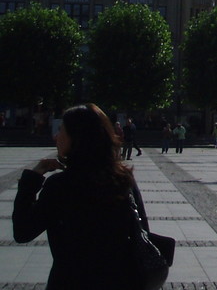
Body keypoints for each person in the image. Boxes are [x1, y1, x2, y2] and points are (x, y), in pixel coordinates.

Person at [13, 103, 156, 288]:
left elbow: (23, 232)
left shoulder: (61, 186)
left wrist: (31, 180)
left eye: (62, 130)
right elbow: (143, 229)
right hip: (118, 281)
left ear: (76, 138)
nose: (56, 136)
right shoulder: (122, 180)